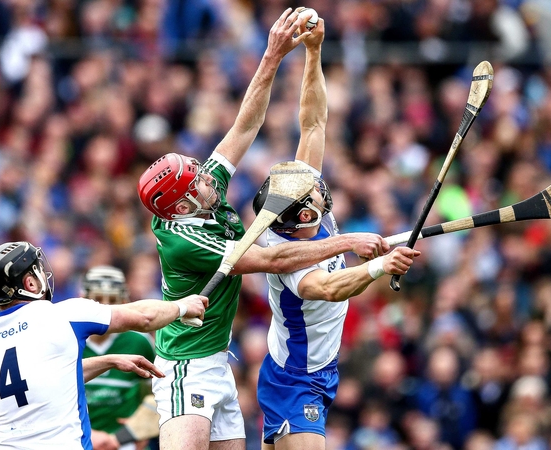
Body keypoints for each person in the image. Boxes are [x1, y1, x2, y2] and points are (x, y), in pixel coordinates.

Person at [136, 8, 390, 450]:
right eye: (195, 182)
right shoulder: (184, 240)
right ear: (180, 205)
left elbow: (247, 124)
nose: (207, 178)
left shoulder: (200, 195)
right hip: (186, 361)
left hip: (218, 359)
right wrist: (353, 245)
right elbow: (272, 260)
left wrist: (277, 55)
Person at [250, 16, 418, 450]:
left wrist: (314, 52)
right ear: (303, 216)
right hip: (295, 378)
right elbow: (326, 288)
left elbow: (313, 123)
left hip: (319, 369)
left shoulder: (300, 213)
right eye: (312, 193)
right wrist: (379, 266)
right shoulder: (283, 251)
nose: (318, 185)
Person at [0, 241, 207, 449]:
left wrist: (109, 360)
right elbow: (144, 317)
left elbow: (48, 378)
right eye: (36, 269)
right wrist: (182, 307)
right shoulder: (63, 315)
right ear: (30, 283)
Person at [81, 265, 159, 450]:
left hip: (127, 444)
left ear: (125, 301)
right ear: (82, 300)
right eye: (98, 299)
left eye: (113, 300)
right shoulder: (68, 341)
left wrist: (140, 427)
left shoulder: (139, 342)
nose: (105, 307)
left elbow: (160, 392)